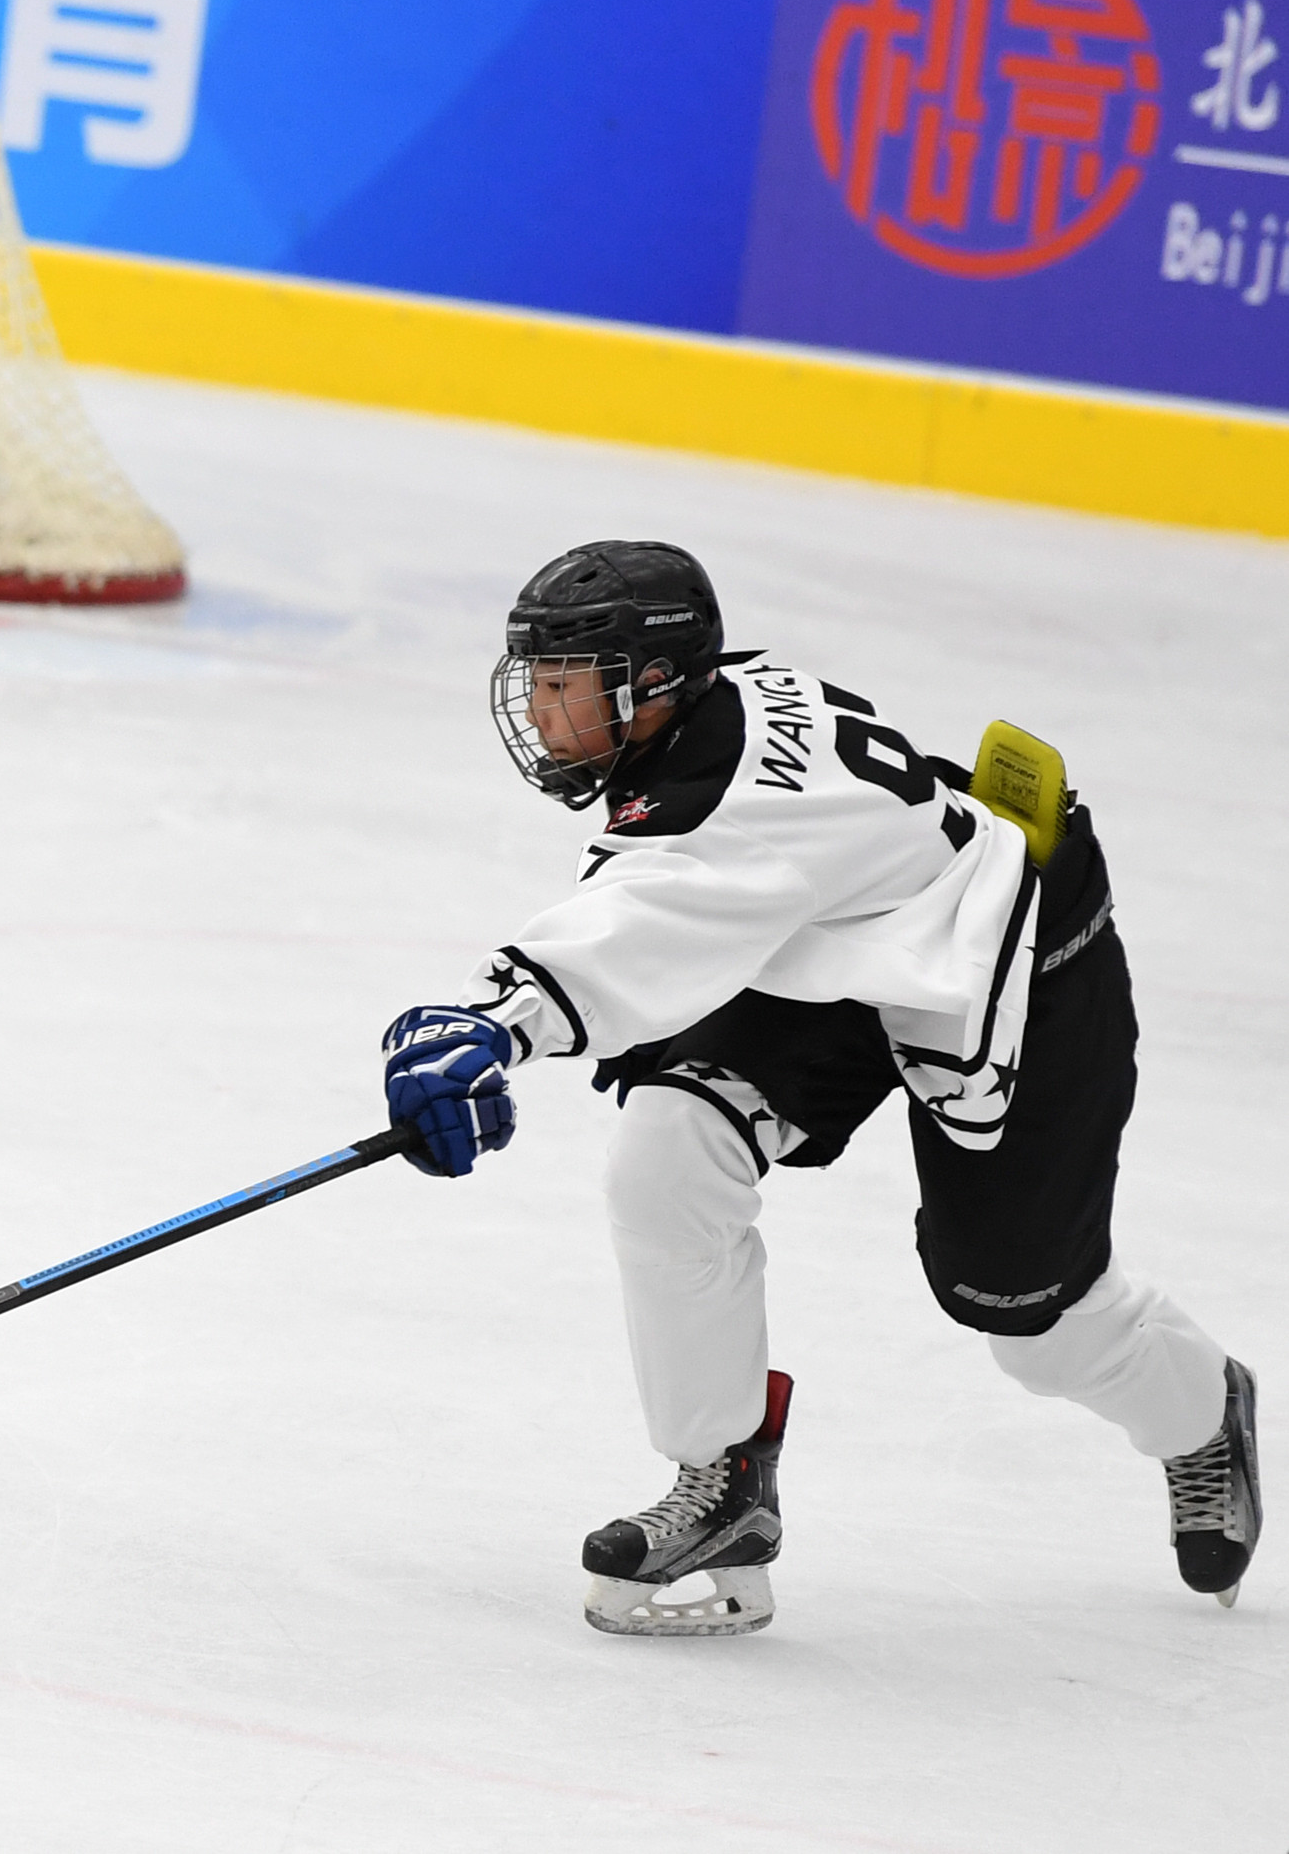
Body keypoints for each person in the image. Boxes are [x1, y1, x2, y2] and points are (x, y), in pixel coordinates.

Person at [380, 541, 1256, 1635]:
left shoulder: (723, 805)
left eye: (568, 688)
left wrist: (488, 1023)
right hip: (841, 927)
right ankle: (722, 1485)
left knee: (1030, 1318)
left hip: (998, 949)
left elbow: (636, 924)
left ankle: (1199, 1409)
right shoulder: (710, 715)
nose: (545, 717)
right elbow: (687, 900)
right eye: (540, 685)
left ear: (653, 684)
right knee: (668, 1144)